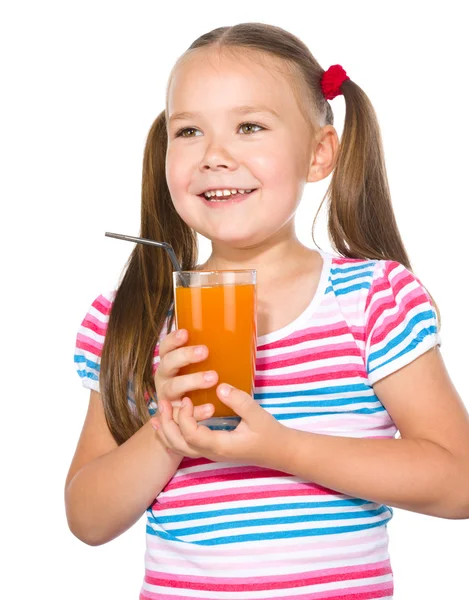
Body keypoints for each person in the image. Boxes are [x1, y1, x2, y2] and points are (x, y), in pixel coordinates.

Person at [66, 22, 469, 600]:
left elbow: (458, 482)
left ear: (318, 153)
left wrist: (279, 446)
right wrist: (165, 435)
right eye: (189, 131)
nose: (214, 156)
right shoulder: (132, 316)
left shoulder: (370, 301)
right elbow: (87, 518)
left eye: (249, 126)